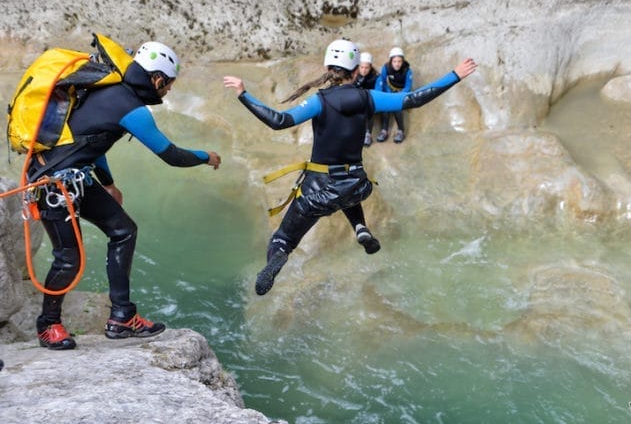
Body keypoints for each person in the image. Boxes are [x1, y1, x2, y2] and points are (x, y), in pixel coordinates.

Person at [223, 39, 476, 295]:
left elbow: (279, 121)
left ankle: (278, 258)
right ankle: (360, 227)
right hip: (356, 183)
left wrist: (243, 94)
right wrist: (454, 75)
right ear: (356, 70)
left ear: (327, 66)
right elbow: (413, 99)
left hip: (318, 188)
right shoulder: (369, 97)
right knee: (345, 190)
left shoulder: (319, 100)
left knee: (283, 239)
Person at [30, 41, 222, 350]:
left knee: (123, 230)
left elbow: (92, 143)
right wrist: (205, 156)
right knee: (69, 259)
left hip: (74, 177)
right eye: (169, 84)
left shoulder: (110, 92)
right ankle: (48, 324)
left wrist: (107, 183)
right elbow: (170, 154)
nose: (168, 91)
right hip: (51, 184)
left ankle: (121, 317)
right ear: (158, 79)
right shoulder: (131, 107)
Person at [374, 47, 413, 143]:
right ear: (391, 61)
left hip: (402, 91)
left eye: (399, 61)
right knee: (386, 107)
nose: (397, 64)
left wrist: (400, 95)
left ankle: (401, 130)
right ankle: (384, 130)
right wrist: (388, 93)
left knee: (397, 107)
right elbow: (382, 81)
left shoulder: (407, 70)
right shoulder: (386, 68)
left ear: (402, 61)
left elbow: (408, 86)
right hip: (390, 89)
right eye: (394, 61)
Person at [353, 52, 379, 147]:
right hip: (358, 99)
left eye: (366, 68)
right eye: (362, 67)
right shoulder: (354, 76)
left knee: (369, 110)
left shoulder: (375, 77)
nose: (364, 70)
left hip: (370, 100)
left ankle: (368, 133)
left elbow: (378, 92)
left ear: (370, 67)